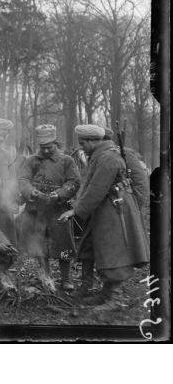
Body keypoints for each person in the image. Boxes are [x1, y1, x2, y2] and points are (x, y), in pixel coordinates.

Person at [58, 125, 150, 311]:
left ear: (93, 141)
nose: (81, 147)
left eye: (83, 143)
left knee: (114, 253)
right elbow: (90, 186)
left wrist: (75, 210)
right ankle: (106, 293)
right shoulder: (100, 155)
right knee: (93, 246)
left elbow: (96, 189)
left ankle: (114, 299)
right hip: (105, 209)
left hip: (115, 211)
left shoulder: (107, 158)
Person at [17, 124, 81, 291]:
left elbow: (74, 182)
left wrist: (60, 193)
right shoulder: (31, 160)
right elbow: (22, 180)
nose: (45, 151)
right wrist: (31, 191)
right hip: (35, 211)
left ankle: (66, 279)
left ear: (56, 143)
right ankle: (46, 276)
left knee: (63, 244)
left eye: (49, 147)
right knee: (40, 245)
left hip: (59, 210)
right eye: (42, 147)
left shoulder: (67, 161)